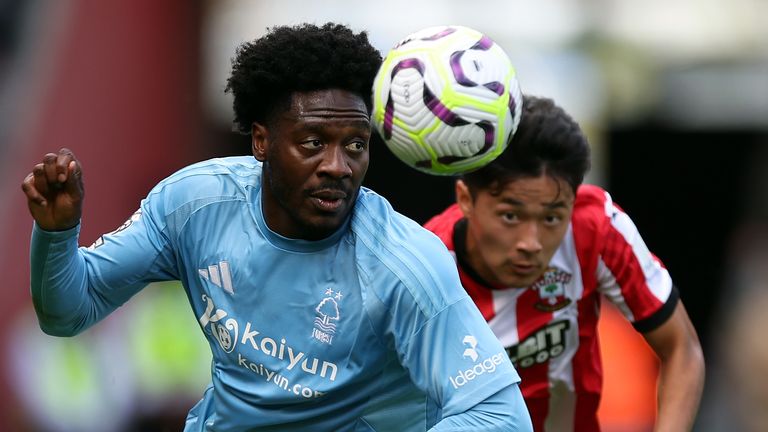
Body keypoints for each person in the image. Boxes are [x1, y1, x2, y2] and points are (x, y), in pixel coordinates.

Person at [20, 23, 533, 431]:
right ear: (262, 142)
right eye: (313, 142)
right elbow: (68, 313)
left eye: (355, 145)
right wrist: (58, 234)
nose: (338, 165)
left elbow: (500, 416)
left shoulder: (405, 265)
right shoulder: (194, 205)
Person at [424, 95, 705, 431]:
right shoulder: (425, 267)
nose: (531, 242)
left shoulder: (597, 228)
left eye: (552, 217)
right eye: (510, 216)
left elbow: (681, 349)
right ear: (466, 199)